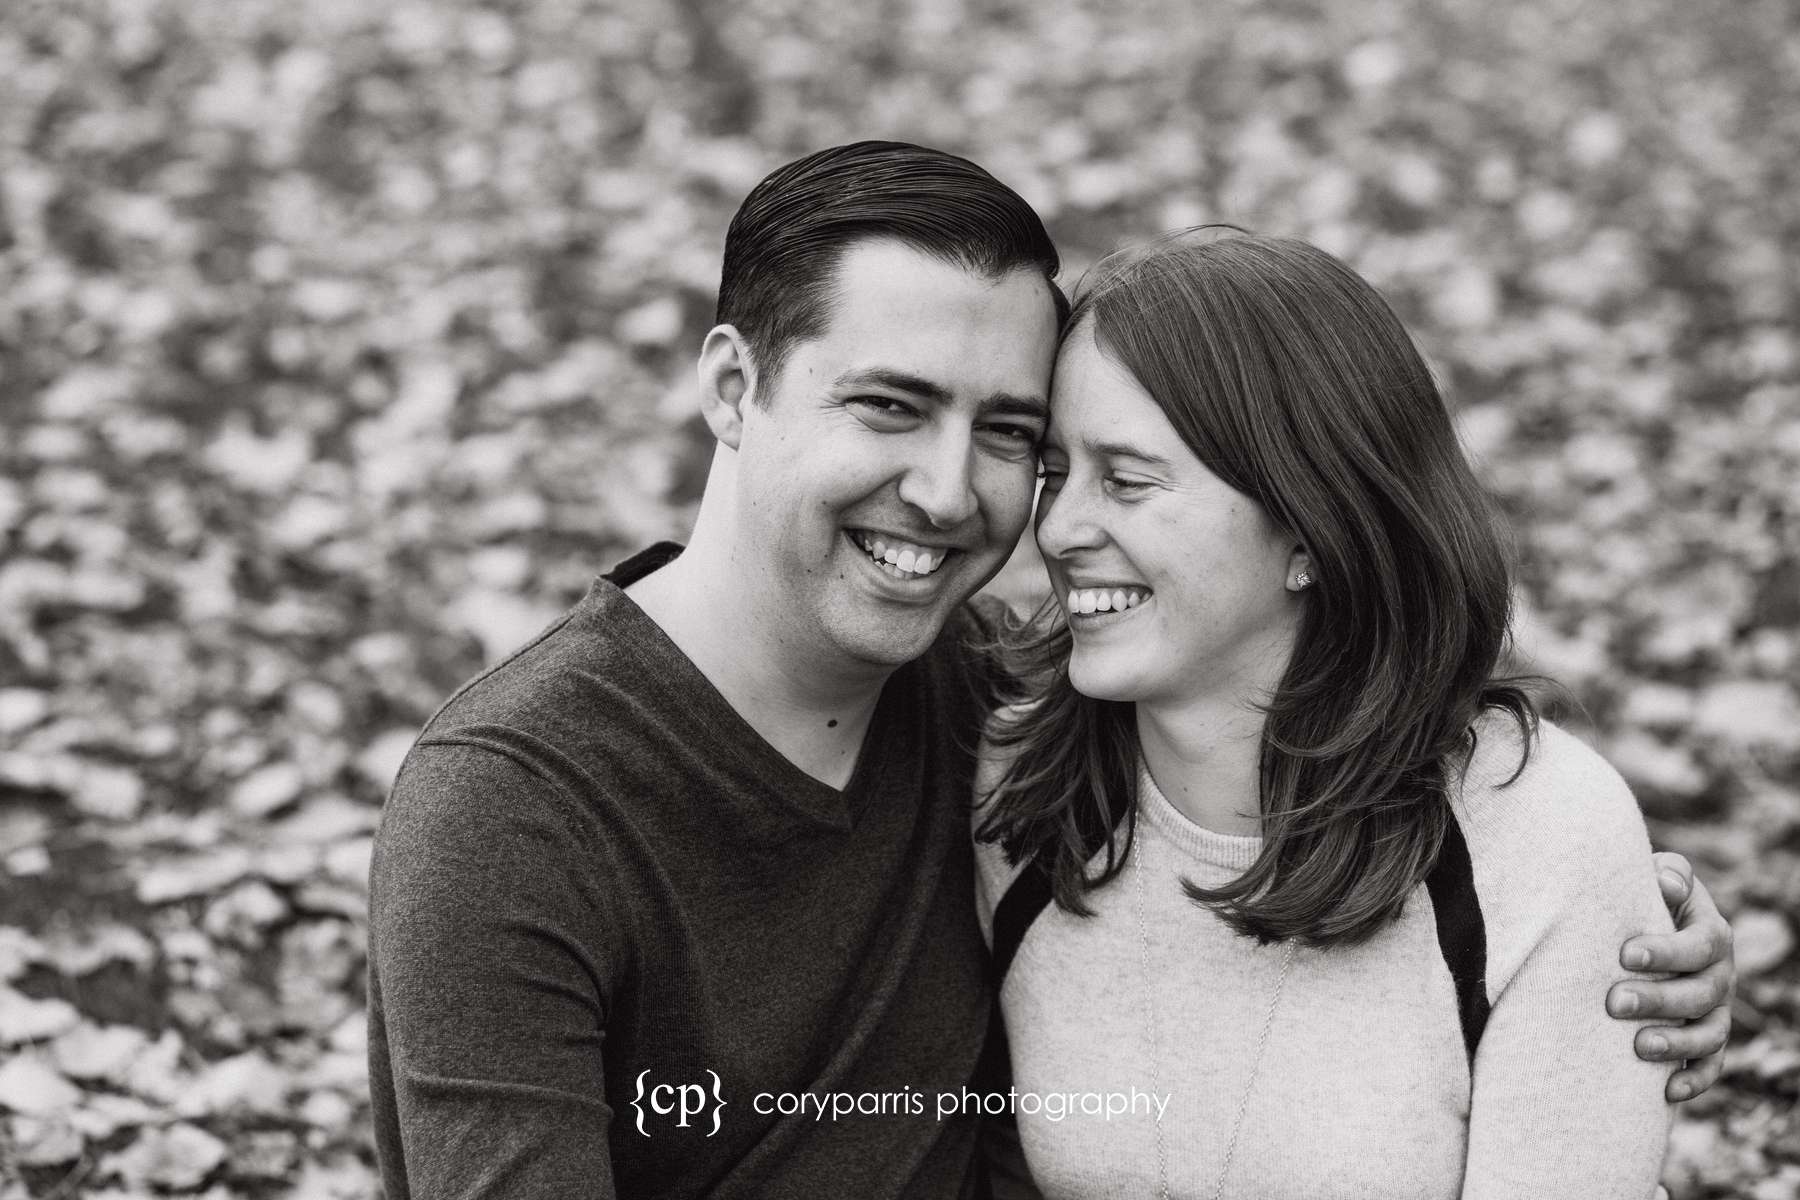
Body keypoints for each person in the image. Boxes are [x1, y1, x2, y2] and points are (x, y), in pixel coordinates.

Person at [366, 144, 1735, 1200]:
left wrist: (1620, 960)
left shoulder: (998, 717)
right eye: (889, 405)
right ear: (732, 388)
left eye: (1011, 433)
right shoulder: (510, 813)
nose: (959, 497)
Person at [974, 228, 1703, 1198]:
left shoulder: (1541, 838)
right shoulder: (1013, 795)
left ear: (1311, 531)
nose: (1059, 529)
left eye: (1129, 480)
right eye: (1056, 474)